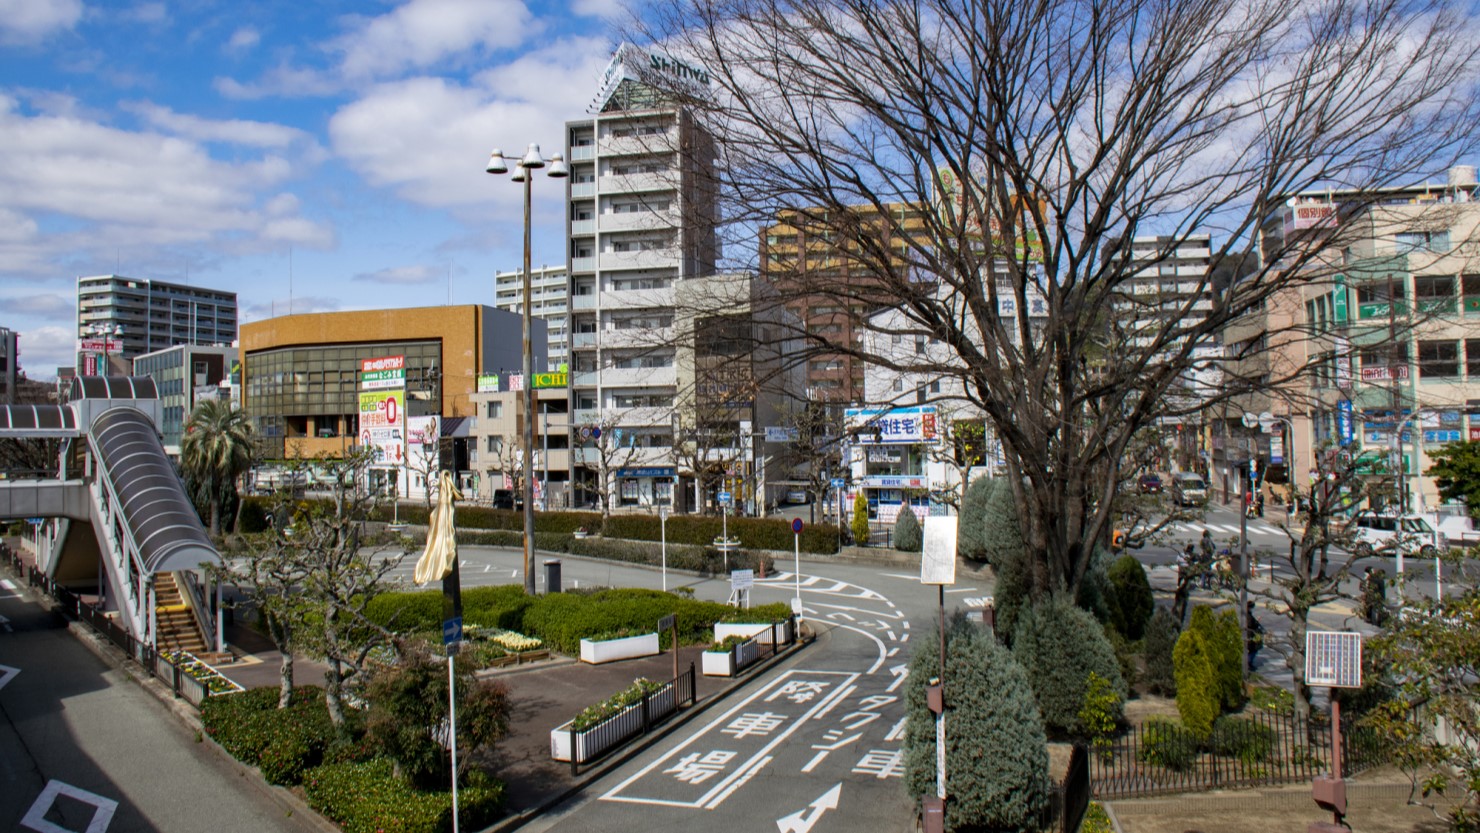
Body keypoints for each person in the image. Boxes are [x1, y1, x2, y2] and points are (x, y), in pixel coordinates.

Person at [1245, 601, 1265, 670]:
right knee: (1253, 649)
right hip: (1249, 636)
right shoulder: (1248, 616)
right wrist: (1257, 621)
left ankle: (1248, 662)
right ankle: (1248, 663)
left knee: (1251, 650)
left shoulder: (1245, 614)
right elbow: (1251, 624)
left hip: (1248, 635)